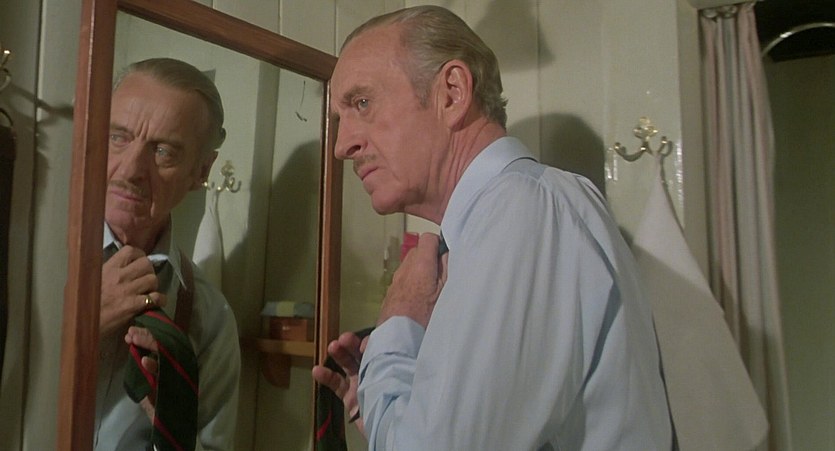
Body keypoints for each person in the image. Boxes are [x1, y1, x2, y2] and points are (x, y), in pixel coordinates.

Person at [312, 6, 674, 450]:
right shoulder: (509, 218)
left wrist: (397, 326)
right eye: (340, 118)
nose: (342, 145)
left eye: (362, 104)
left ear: (452, 93)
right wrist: (389, 404)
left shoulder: (523, 210)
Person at [95, 58, 240, 451]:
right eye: (118, 137)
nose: (131, 170)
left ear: (201, 171)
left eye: (163, 151)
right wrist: (80, 326)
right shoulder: (26, 262)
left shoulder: (209, 317)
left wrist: (174, 424)